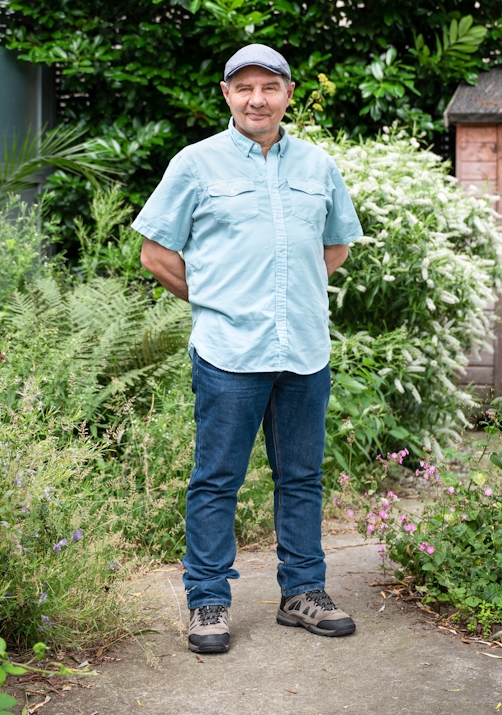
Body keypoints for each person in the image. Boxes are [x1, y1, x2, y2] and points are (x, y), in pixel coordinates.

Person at [132, 44, 364, 655]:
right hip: (228, 351)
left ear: (288, 94)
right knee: (216, 480)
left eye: (269, 86)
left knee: (303, 478)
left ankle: (303, 594)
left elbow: (336, 246)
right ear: (227, 95)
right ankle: (207, 602)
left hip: (304, 352)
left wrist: (292, 295)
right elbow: (155, 253)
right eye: (244, 88)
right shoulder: (195, 164)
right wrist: (216, 300)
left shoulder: (318, 166)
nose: (257, 98)